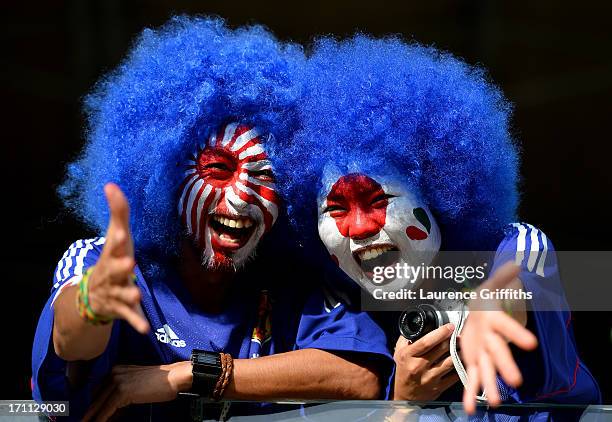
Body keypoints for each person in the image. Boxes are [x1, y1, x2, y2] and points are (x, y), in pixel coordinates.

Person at [32, 18, 392, 421]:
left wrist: (192, 374)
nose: (240, 202)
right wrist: (92, 304)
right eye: (218, 170)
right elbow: (69, 342)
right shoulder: (108, 262)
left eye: (265, 178)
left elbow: (360, 377)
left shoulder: (290, 280)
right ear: (166, 175)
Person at [279, 35, 601, 417]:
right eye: (336, 209)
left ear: (436, 193)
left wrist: (488, 308)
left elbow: (518, 280)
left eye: (377, 201)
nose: (359, 228)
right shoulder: (337, 302)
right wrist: (402, 400)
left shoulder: (512, 244)